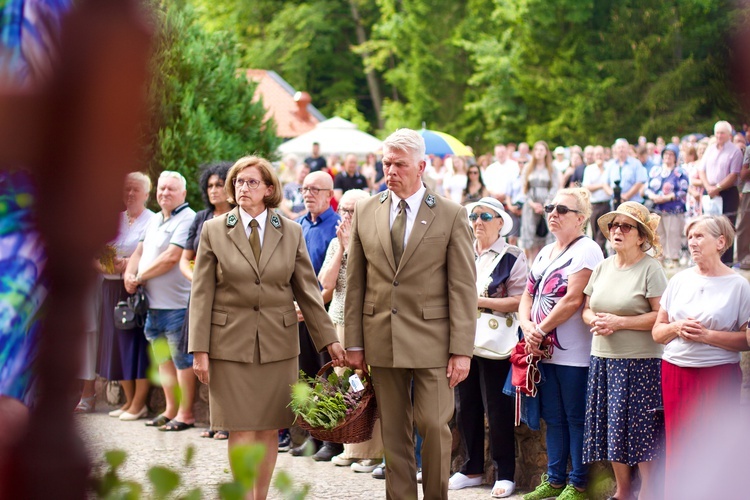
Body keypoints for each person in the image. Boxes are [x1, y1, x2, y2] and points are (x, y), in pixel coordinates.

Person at [189, 155, 345, 500]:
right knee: (241, 428)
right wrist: (199, 350)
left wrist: (330, 341)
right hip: (228, 344)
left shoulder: (290, 230)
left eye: (251, 182)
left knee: (269, 428)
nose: (243, 188)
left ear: (269, 189)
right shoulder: (214, 229)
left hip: (278, 343)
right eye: (239, 182)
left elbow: (307, 289)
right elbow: (201, 293)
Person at [345, 128, 477, 500]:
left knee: (434, 426)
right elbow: (355, 282)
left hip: (434, 341)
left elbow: (463, 288)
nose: (391, 171)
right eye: (386, 163)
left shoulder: (451, 214)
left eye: (399, 164)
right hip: (380, 338)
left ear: (421, 166)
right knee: (394, 433)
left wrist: (462, 349)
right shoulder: (368, 210)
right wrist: (353, 343)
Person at [652, 215, 750, 496]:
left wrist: (707, 336)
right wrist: (676, 327)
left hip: (717, 376)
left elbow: (747, 340)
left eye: (699, 236)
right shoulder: (679, 280)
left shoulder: (739, 285)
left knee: (716, 447)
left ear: (721, 242)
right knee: (678, 445)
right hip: (676, 372)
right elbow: (658, 333)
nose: (692, 242)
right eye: (690, 236)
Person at [519, 188, 604, 500]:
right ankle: (554, 480)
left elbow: (572, 300)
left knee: (576, 418)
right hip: (543, 351)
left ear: (581, 219)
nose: (553, 213)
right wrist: (527, 326)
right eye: (550, 207)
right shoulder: (544, 251)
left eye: (562, 210)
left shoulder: (588, 250)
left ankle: (578, 483)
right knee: (552, 418)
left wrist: (537, 330)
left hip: (574, 354)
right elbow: (527, 294)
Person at [581, 202, 668, 500]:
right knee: (611, 427)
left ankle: (648, 493)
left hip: (640, 362)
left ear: (641, 236)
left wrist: (619, 322)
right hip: (603, 359)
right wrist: (598, 321)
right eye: (614, 226)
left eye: (625, 226)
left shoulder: (651, 268)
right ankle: (623, 491)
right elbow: (587, 309)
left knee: (641, 430)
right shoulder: (603, 266)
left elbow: (660, 315)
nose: (617, 230)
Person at [449, 197, 526, 499]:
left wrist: (481, 302)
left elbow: (520, 300)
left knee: (497, 408)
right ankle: (472, 468)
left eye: (485, 216)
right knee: (465, 405)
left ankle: (504, 471)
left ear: (499, 222)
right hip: (464, 337)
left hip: (496, 341)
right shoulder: (464, 252)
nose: (478, 221)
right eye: (474, 216)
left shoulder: (512, 255)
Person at [124, 171, 196, 431]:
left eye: (171, 189)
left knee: (181, 362)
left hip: (176, 305)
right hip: (152, 306)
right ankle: (170, 410)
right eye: (162, 188)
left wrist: (140, 276)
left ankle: (186, 414)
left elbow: (171, 257)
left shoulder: (188, 218)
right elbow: (139, 251)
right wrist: (128, 274)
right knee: (164, 362)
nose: (165, 193)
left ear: (183, 194)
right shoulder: (155, 219)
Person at [318, 189, 384, 473]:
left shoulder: (374, 242)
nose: (346, 216)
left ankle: (374, 451)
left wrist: (354, 247)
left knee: (370, 386)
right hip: (339, 319)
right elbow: (326, 283)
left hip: (365, 324)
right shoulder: (337, 243)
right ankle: (351, 446)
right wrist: (343, 248)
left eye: (353, 211)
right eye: (343, 210)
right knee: (346, 386)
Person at [289, 170, 343, 461]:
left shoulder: (337, 226)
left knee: (328, 380)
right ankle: (312, 436)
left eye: (315, 189)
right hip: (297, 315)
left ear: (329, 194)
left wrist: (307, 307)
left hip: (323, 314)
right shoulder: (298, 226)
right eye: (304, 188)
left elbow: (333, 283)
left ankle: (332, 441)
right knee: (305, 378)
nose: (308, 194)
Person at [178, 162, 233, 439]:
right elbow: (185, 260)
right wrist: (198, 280)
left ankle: (225, 422)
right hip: (199, 297)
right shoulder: (200, 218)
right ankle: (214, 420)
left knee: (225, 361)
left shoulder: (238, 217)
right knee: (202, 359)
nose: (214, 190)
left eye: (219, 184)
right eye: (210, 185)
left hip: (227, 298)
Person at [95, 172, 155, 420]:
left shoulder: (152, 221)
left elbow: (152, 253)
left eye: (136, 189)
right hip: (109, 287)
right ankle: (128, 401)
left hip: (135, 288)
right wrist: (104, 265)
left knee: (136, 345)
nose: (130, 194)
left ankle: (139, 403)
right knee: (116, 345)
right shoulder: (114, 220)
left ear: (147, 194)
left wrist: (129, 264)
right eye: (127, 189)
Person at [698, 121, 743, 264]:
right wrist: (708, 187)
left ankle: (726, 262)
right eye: (717, 132)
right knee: (708, 227)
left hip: (727, 193)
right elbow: (702, 170)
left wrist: (717, 187)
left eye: (722, 133)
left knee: (726, 228)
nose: (719, 136)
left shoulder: (735, 151)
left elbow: (734, 175)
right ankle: (707, 258)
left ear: (729, 135)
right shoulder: (710, 149)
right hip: (709, 191)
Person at [645, 144, 688, 267]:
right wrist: (653, 197)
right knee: (658, 234)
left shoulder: (680, 172)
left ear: (675, 157)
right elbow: (647, 188)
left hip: (673, 208)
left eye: (671, 154)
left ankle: (673, 258)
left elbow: (683, 190)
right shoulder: (655, 170)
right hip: (656, 207)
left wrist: (667, 197)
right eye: (666, 154)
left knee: (673, 232)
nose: (668, 157)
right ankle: (659, 257)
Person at [520, 140, 560, 263]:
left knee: (546, 236)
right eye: (536, 150)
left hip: (546, 207)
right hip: (530, 207)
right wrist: (532, 204)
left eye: (541, 150)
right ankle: (532, 266)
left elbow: (555, 187)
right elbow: (524, 188)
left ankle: (545, 265)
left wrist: (546, 204)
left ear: (546, 152)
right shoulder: (528, 168)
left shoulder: (551, 168)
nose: (538, 152)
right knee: (531, 238)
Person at [583, 145, 613, 256]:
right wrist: (602, 185)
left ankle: (601, 255)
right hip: (594, 205)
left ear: (605, 155)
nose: (599, 156)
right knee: (595, 233)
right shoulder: (589, 169)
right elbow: (587, 186)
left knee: (603, 234)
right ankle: (598, 256)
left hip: (607, 204)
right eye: (597, 154)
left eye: (601, 154)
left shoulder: (609, 167)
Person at [607, 138, 647, 206]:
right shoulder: (610, 164)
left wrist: (626, 196)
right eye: (619, 147)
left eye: (623, 147)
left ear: (628, 149)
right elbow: (605, 183)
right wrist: (615, 195)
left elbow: (639, 182)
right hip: (615, 203)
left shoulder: (636, 163)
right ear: (615, 149)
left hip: (633, 204)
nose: (621, 149)